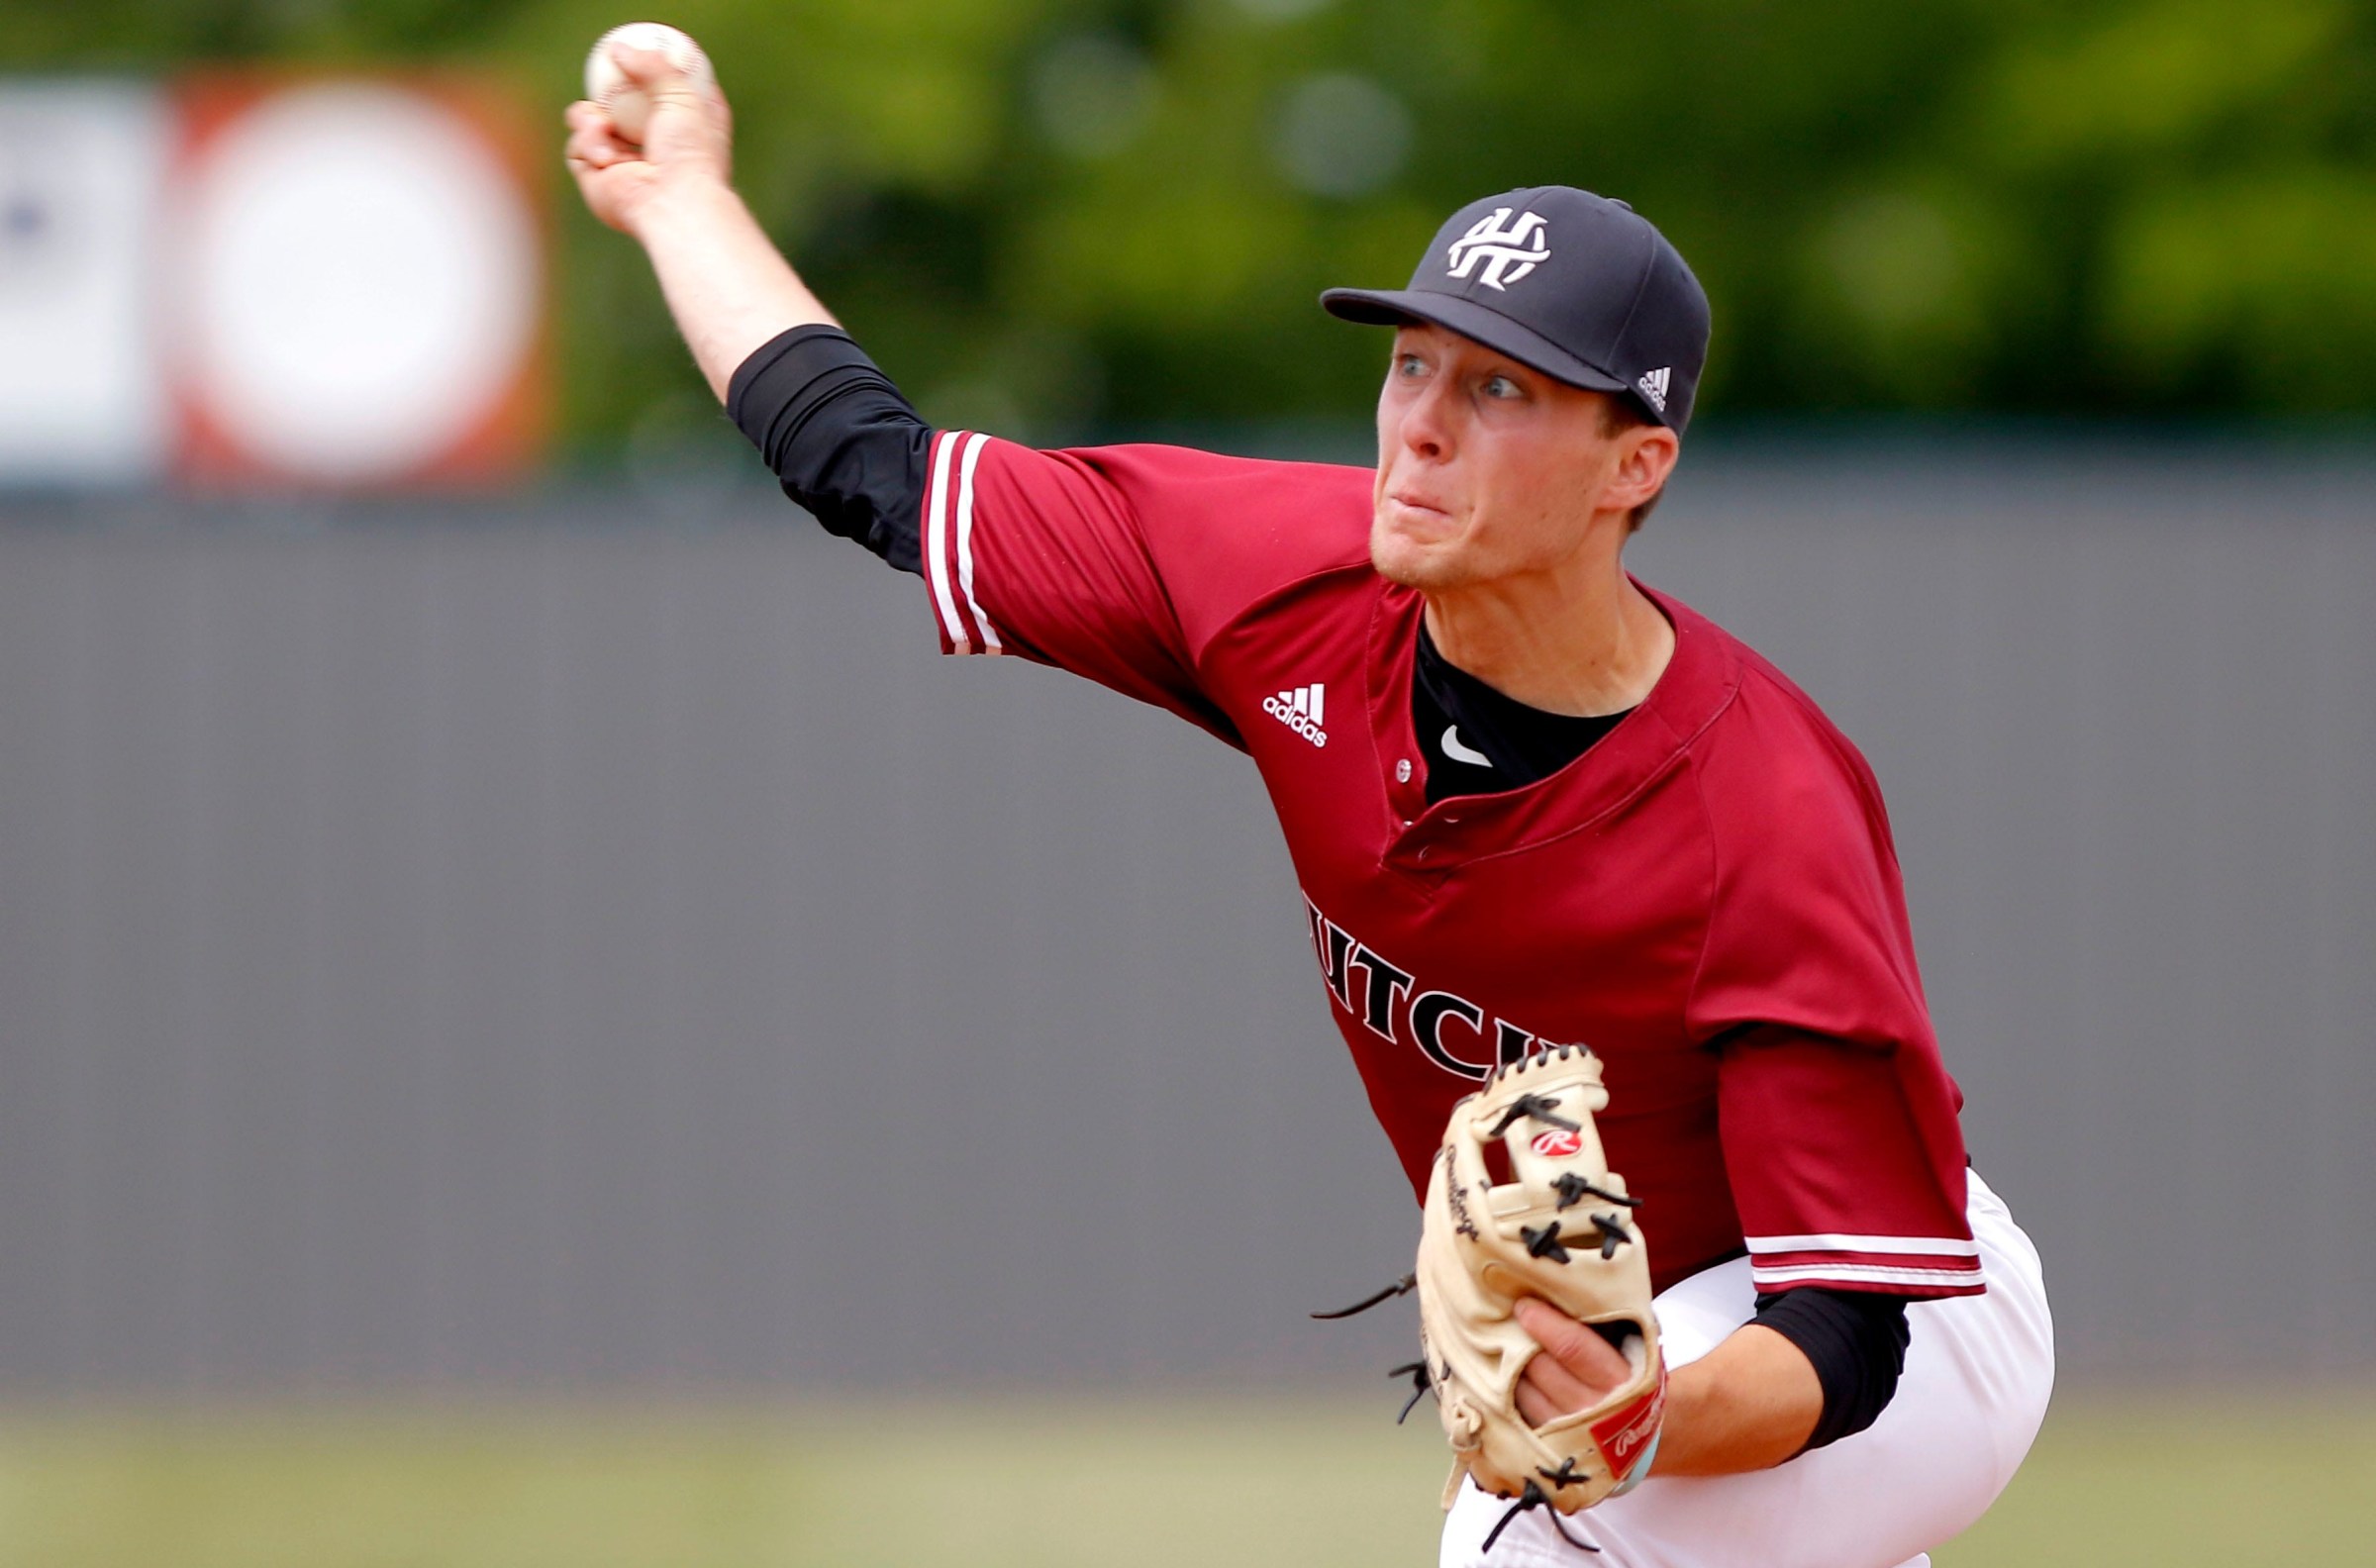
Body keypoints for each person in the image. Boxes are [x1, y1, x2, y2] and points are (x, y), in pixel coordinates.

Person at [564, 46, 2053, 1568]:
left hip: (1904, 1322)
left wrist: (1645, 1420)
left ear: (1636, 462)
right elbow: (877, 468)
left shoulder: (1762, 805)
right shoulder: (1282, 580)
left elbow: (1847, 1333)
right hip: (1658, 1322)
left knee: (1529, 1536)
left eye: (1501, 387)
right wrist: (681, 199)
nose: (1422, 423)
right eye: (1415, 364)